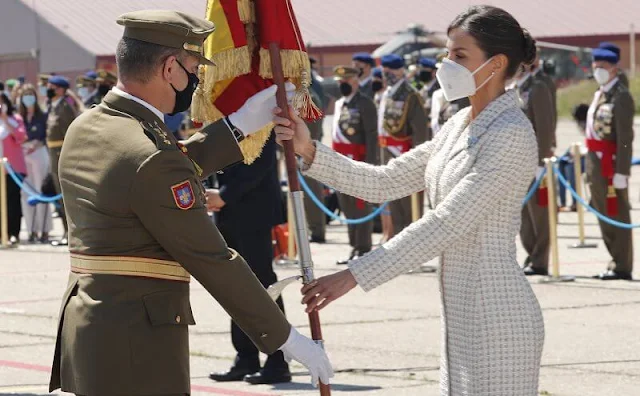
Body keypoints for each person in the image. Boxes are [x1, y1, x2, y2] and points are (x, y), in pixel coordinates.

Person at [48, 10, 332, 396]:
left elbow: (158, 169)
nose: (196, 80)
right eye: (194, 67)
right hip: (139, 346)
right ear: (169, 68)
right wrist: (287, 339)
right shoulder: (149, 153)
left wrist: (239, 124)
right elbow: (212, 258)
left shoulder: (90, 125)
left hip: (93, 331)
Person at [275, 5, 544, 395]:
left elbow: (446, 222)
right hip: (462, 318)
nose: (445, 64)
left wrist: (353, 275)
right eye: (447, 53)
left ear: (496, 63)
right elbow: (385, 182)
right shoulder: (458, 124)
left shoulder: (510, 134)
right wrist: (310, 150)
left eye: (459, 55)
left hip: (498, 319)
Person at [207, 134, 292, 385]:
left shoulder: (255, 108)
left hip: (253, 210)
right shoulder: (225, 113)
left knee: (262, 285)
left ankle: (278, 359)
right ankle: (246, 356)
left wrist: (224, 194)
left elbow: (260, 162)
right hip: (230, 210)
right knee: (235, 285)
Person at [586, 48, 635, 280]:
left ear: (615, 67)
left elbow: (625, 137)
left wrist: (622, 172)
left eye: (603, 66)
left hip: (611, 164)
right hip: (596, 162)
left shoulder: (620, 96)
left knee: (617, 214)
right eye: (596, 66)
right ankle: (614, 260)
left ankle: (622, 265)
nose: (598, 71)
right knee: (602, 212)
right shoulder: (600, 93)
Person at [330, 66, 378, 264]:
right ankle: (353, 247)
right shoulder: (340, 104)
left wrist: (370, 166)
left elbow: (372, 137)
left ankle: (363, 248)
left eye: (346, 81)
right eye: (340, 82)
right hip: (341, 163)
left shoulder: (365, 104)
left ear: (355, 81)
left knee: (361, 206)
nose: (342, 85)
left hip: (359, 162)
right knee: (347, 206)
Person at [377, 54, 428, 235]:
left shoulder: (410, 95)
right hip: (388, 154)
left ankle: (413, 246)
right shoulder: (388, 94)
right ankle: (397, 242)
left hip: (404, 154)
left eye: (390, 69)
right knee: (394, 203)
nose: (386, 73)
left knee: (409, 206)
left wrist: (418, 161)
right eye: (384, 70)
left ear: (400, 70)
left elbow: (420, 131)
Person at [513, 65, 555, 276]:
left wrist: (541, 161)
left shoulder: (537, 88)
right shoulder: (514, 89)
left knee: (538, 212)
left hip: (533, 160)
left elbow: (545, 127)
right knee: (523, 215)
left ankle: (540, 260)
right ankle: (532, 255)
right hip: (517, 161)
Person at [18, 84, 53, 243]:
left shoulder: (43, 115)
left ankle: (44, 230)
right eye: (25, 95)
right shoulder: (20, 117)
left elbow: (47, 135)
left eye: (30, 94)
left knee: (41, 191)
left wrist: (37, 144)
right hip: (23, 155)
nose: (28, 98)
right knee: (26, 192)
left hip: (39, 152)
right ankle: (31, 229)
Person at [45, 75, 76, 247]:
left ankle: (69, 233)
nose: (49, 90)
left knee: (64, 196)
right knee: (59, 197)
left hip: (61, 154)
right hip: (52, 153)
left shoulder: (65, 108)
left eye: (53, 87)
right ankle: (65, 231)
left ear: (62, 90)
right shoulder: (52, 106)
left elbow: (70, 135)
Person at [0, 93, 27, 246]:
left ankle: (13, 233)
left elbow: (21, 137)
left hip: (13, 169)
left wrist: (5, 120)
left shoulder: (15, 119)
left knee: (13, 202)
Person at [304, 86, 327, 243]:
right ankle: (312, 228)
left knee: (311, 193)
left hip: (306, 152)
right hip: (299, 152)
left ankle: (317, 230)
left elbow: (312, 128)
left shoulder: (308, 97)